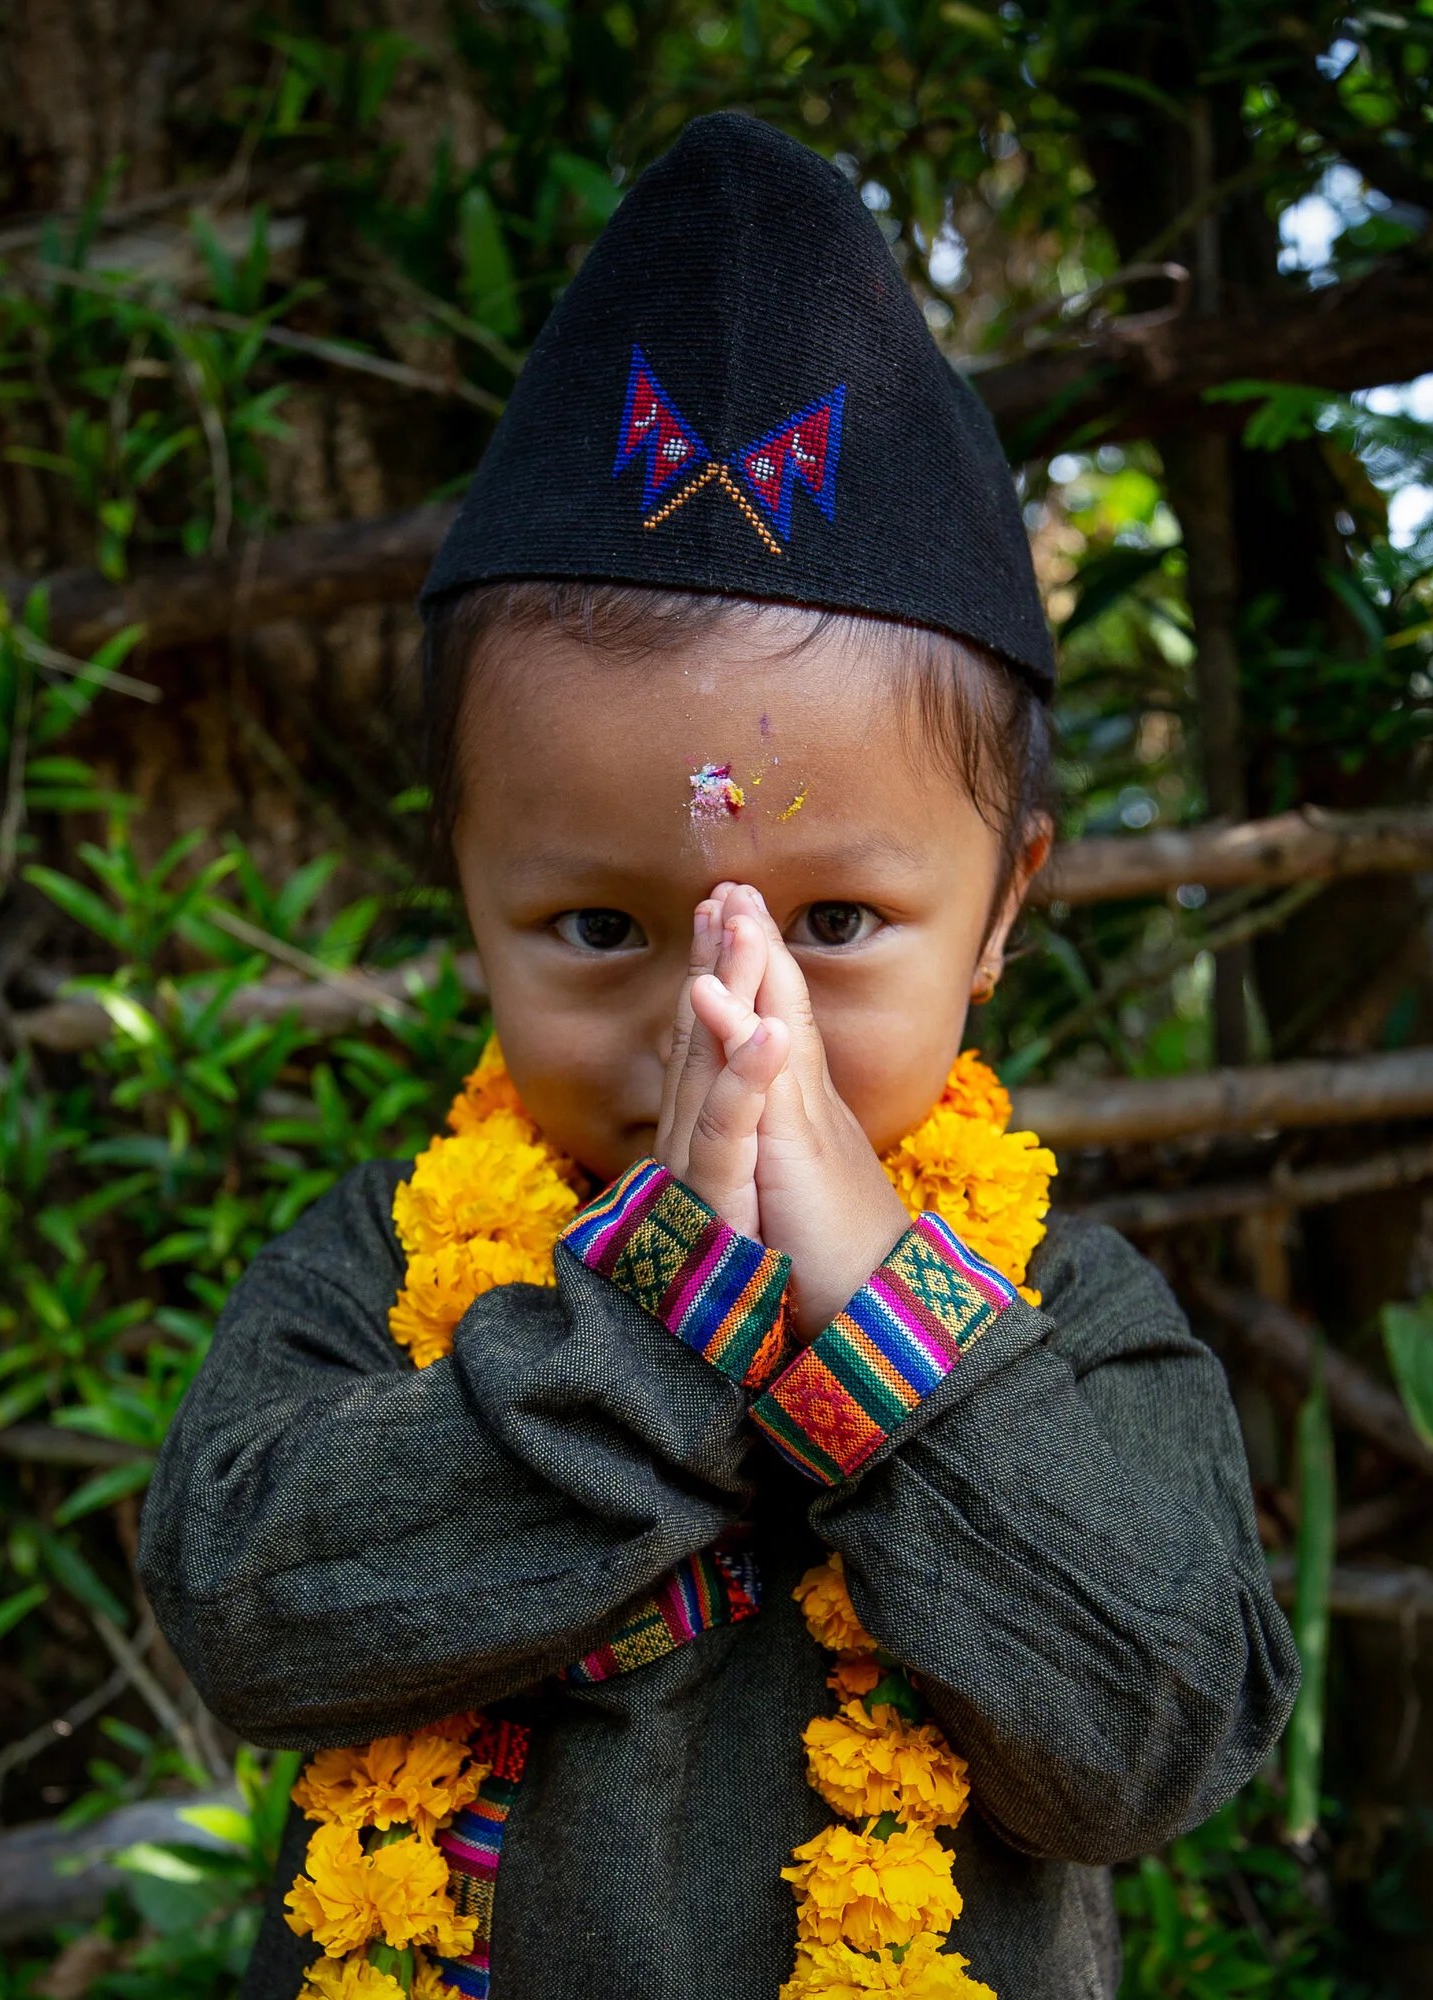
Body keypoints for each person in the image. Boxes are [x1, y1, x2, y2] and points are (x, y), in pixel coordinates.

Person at [138, 111, 1296, 2000]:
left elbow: (1154, 1737)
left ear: (1004, 911)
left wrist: (884, 1324)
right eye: (600, 926)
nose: (723, 1023)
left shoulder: (1068, 1315)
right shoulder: (383, 1276)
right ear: (469, 892)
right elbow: (249, 1616)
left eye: (832, 926)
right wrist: (654, 1322)